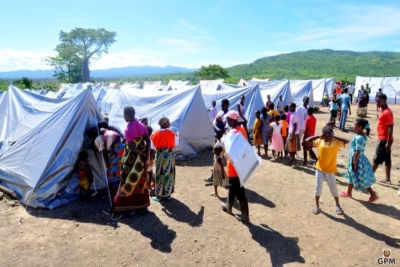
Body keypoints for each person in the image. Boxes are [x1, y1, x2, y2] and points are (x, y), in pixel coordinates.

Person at [110, 106, 151, 219]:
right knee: (141, 181)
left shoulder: (128, 129)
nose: (124, 117)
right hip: (142, 160)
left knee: (127, 181)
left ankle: (129, 209)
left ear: (127, 115)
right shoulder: (142, 125)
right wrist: (146, 155)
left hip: (131, 160)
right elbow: (148, 140)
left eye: (124, 115)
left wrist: (140, 153)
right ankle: (143, 206)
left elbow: (132, 147)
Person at [306, 126, 349, 215]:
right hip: (319, 169)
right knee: (317, 188)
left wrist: (334, 136)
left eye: (330, 136)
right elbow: (307, 140)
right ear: (323, 135)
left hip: (330, 170)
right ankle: (317, 206)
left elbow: (347, 141)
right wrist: (318, 136)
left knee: (333, 188)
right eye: (326, 136)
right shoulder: (320, 141)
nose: (328, 138)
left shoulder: (336, 142)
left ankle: (337, 205)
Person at [220, 110, 250, 223]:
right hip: (241, 163)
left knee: (239, 190)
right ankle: (228, 205)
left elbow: (227, 148)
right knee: (232, 186)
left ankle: (245, 215)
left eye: (228, 119)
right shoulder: (242, 129)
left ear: (233, 120)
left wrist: (224, 137)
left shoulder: (232, 133)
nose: (227, 121)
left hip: (233, 166)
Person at [340, 119, 378, 202]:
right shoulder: (360, 135)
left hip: (357, 160)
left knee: (361, 178)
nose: (353, 126)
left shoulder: (360, 138)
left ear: (360, 127)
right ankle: (349, 193)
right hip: (356, 158)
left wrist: (354, 162)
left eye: (354, 124)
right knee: (351, 175)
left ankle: (373, 194)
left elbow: (358, 150)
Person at [87, 124, 125, 195]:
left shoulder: (99, 139)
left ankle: (115, 188)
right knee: (118, 167)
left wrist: (107, 163)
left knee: (112, 169)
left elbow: (104, 152)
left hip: (117, 149)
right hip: (121, 147)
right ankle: (117, 186)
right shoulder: (105, 131)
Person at [151, 116, 180, 201]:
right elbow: (176, 143)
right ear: (164, 123)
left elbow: (152, 147)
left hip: (160, 155)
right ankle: (167, 194)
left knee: (160, 174)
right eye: (168, 122)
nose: (169, 123)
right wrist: (178, 136)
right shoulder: (171, 133)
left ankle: (159, 196)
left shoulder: (155, 134)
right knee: (168, 173)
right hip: (169, 155)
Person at [205, 98, 230, 183]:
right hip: (218, 139)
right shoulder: (220, 113)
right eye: (221, 105)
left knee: (227, 159)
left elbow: (226, 129)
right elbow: (213, 123)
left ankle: (227, 178)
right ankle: (213, 177)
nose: (222, 106)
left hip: (225, 140)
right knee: (216, 158)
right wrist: (217, 131)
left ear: (227, 105)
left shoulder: (228, 115)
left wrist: (220, 132)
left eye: (223, 105)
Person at [373, 94, 394, 184]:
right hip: (384, 139)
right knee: (387, 159)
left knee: (376, 160)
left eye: (378, 101)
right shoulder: (383, 110)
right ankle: (387, 179)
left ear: (384, 100)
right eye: (376, 101)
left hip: (384, 140)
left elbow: (390, 127)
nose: (377, 102)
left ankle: (368, 178)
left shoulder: (387, 112)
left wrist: (388, 142)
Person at [286, 103, 301, 167]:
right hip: (294, 133)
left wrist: (291, 136)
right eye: (289, 107)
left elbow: (295, 126)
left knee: (288, 148)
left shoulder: (294, 115)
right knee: (292, 149)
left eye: (290, 107)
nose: (289, 109)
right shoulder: (294, 114)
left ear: (294, 107)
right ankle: (292, 161)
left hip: (293, 134)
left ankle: (295, 161)